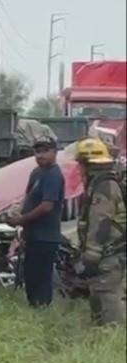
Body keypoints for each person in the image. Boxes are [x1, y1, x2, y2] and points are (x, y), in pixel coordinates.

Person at [73, 137, 126, 326]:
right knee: (98, 297)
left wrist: (91, 256)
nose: (78, 169)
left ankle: (113, 343)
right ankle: (103, 341)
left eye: (80, 164)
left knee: (109, 301)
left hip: (108, 256)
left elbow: (100, 223)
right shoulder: (100, 184)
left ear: (88, 164)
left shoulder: (103, 187)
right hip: (107, 254)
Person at [8, 136, 65, 307]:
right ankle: (35, 307)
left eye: (45, 151)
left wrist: (22, 219)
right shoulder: (37, 173)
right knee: (30, 274)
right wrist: (17, 210)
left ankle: (42, 308)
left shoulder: (54, 174)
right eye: (37, 151)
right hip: (32, 234)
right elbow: (28, 197)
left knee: (41, 276)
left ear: (55, 152)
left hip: (46, 235)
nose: (40, 155)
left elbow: (47, 206)